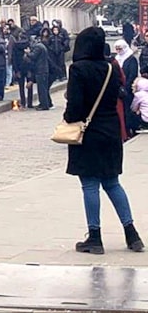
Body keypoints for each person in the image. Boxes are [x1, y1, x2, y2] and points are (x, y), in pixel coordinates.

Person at [64, 27, 143, 255]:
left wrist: (69, 119)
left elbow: (75, 107)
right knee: (112, 182)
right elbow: (120, 94)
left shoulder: (78, 69)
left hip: (89, 133)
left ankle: (95, 237)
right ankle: (132, 233)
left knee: (90, 184)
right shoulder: (111, 67)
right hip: (111, 131)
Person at [115, 39, 140, 135]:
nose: (118, 51)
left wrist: (126, 86)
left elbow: (132, 74)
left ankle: (131, 129)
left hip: (128, 90)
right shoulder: (117, 58)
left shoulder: (131, 59)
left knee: (128, 110)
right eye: (116, 49)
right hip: (119, 90)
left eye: (120, 48)